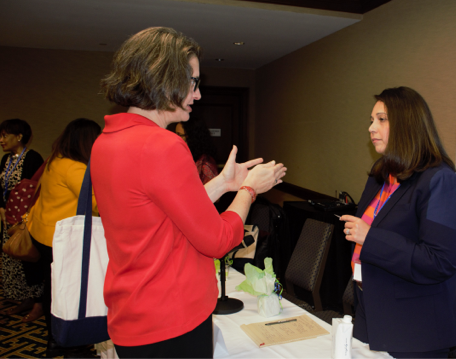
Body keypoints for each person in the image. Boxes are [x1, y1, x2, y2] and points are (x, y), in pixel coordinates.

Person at [92, 27, 286, 359]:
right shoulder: (163, 145)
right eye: (193, 82)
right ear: (163, 77)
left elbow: (164, 212)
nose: (197, 95)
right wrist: (249, 188)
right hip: (171, 319)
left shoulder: (107, 141)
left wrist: (224, 184)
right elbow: (219, 239)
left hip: (133, 314)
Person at [340, 87, 456, 359]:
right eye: (371, 120)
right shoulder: (381, 178)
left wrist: (370, 237)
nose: (371, 127)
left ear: (407, 124)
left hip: (414, 328)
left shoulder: (441, 183)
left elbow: (438, 262)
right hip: (371, 311)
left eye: (381, 119)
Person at [26, 118, 101, 358]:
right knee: (68, 291)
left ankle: (56, 339)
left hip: (42, 231)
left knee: (53, 289)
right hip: (60, 239)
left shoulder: (56, 160)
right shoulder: (76, 168)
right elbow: (95, 204)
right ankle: (71, 344)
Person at [0, 118, 44, 321]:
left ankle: (38, 303)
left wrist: (24, 218)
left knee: (29, 258)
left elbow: (33, 190)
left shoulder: (32, 158)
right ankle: (23, 299)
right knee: (12, 258)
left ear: (19, 136)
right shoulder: (5, 160)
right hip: (7, 218)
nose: (1, 140)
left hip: (25, 220)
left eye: (5, 135)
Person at [175, 117, 219, 184]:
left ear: (191, 137)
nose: (176, 139)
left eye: (179, 135)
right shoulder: (182, 156)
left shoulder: (206, 164)